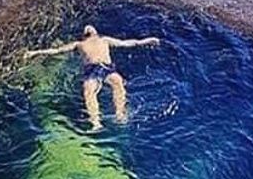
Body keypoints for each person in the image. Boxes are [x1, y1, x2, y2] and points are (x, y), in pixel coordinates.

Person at [25, 23, 160, 130]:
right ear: (85, 35)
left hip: (106, 67)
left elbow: (128, 42)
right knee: (89, 91)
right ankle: (96, 122)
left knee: (118, 82)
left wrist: (147, 40)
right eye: (87, 29)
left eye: (90, 27)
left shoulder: (105, 39)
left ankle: (120, 114)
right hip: (91, 69)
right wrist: (34, 53)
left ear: (96, 31)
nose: (89, 28)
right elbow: (56, 51)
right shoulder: (79, 44)